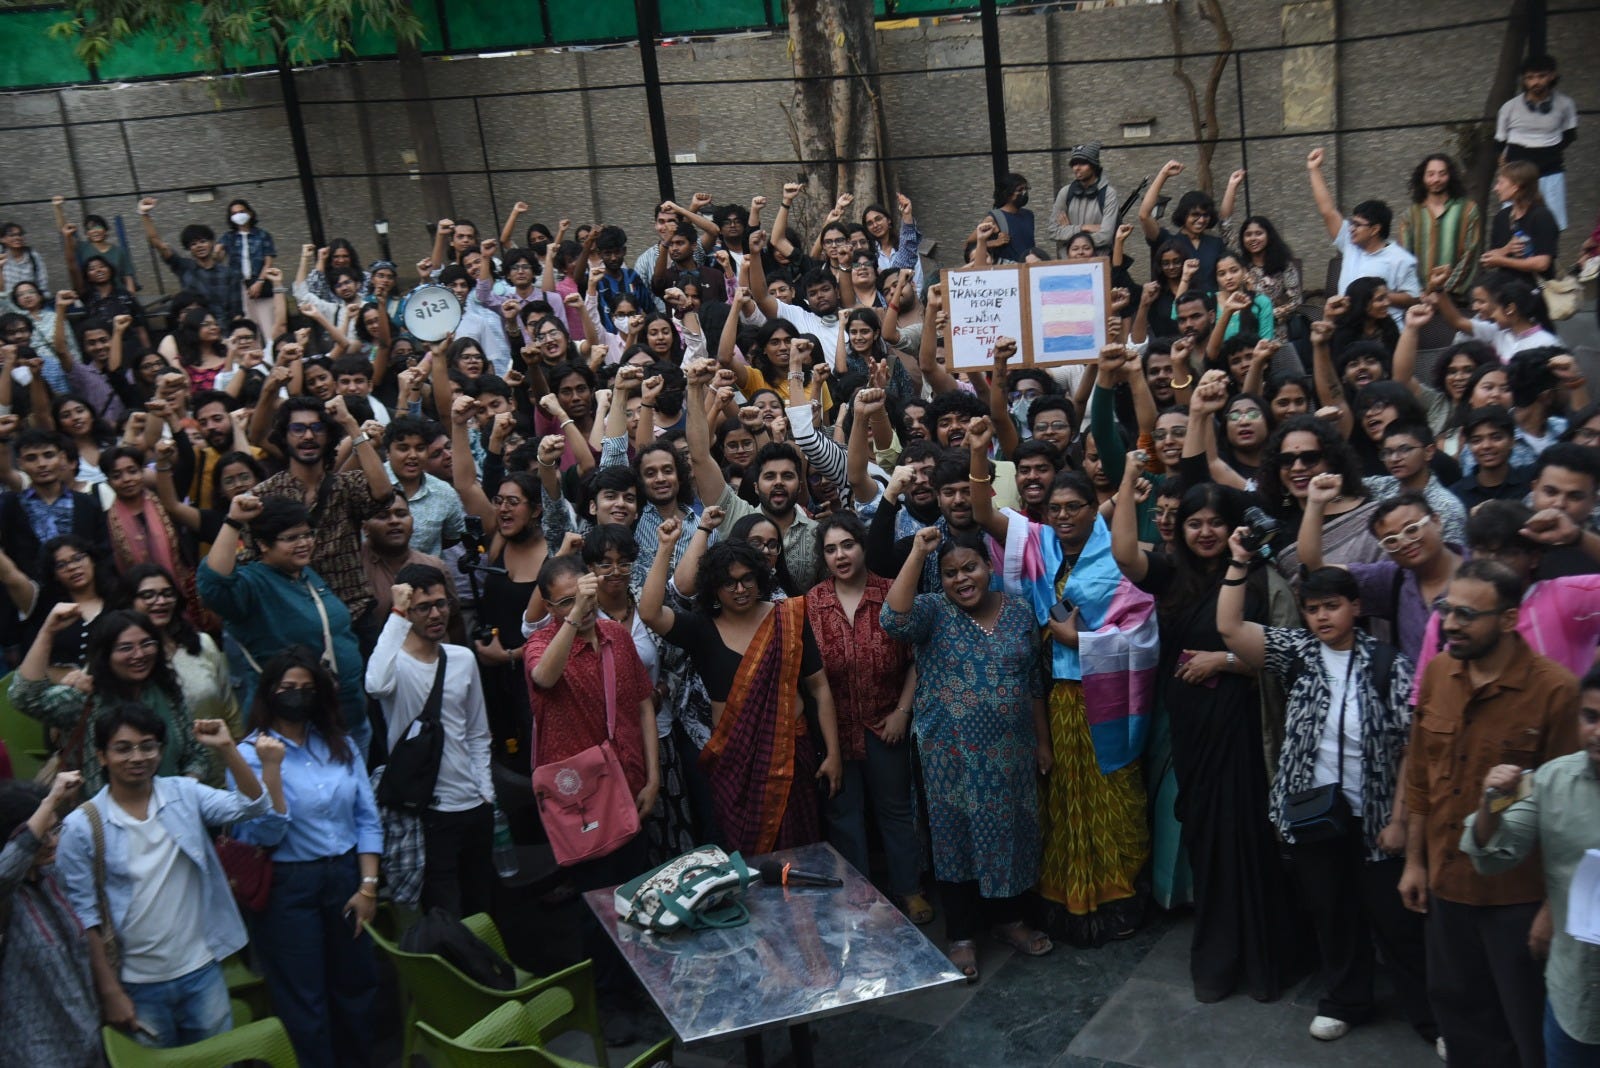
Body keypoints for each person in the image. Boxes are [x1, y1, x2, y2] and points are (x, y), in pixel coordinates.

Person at [1217, 562, 1434, 1046]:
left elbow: (1412, 750)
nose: (1321, 617)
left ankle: (1431, 1016)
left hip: (1376, 816)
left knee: (1396, 920)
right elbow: (1230, 628)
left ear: (1355, 607)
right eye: (1312, 609)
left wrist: (1400, 819)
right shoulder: (1298, 652)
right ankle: (1344, 1001)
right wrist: (1237, 563)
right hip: (1315, 815)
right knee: (1331, 913)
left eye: (1332, 606)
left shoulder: (1389, 664)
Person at [973, 413, 1155, 947]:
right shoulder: (1039, 543)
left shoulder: (1117, 553)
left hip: (1108, 699)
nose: (1064, 516)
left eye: (1074, 507)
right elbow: (983, 513)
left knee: (1112, 797)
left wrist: (1083, 642)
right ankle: (1065, 904)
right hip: (1055, 697)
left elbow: (1144, 634)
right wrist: (980, 452)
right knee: (1061, 800)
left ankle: (1118, 900)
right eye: (1055, 509)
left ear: (1094, 510)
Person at [1114, 474, 1294, 1003]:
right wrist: (1127, 479)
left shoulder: (1259, 580)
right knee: (1207, 840)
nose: (1206, 532)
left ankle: (1261, 960)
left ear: (1235, 526)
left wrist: (1226, 660)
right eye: (1194, 523)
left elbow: (1287, 655)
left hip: (1242, 724)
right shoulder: (1174, 573)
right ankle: (1217, 958)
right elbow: (1124, 554)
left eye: (1216, 522)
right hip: (1191, 729)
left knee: (1244, 837)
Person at [1400, 560, 1580, 1068]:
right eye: (1446, 609)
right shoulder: (1439, 672)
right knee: (1460, 1016)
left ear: (1508, 619)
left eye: (1466, 614)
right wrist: (1415, 862)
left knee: (1526, 1027)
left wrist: (1551, 911)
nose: (1450, 623)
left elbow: (1569, 814)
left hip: (1517, 899)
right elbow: (1421, 775)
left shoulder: (1556, 692)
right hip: (1446, 885)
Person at [55, 704, 286, 1049]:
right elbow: (84, 916)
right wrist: (110, 992)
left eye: (147, 746)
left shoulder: (183, 793)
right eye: (123, 748)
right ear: (102, 756)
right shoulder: (82, 826)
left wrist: (227, 748)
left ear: (160, 751)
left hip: (201, 970)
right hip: (135, 982)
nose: (137, 757)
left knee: (218, 1059)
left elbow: (253, 806)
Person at [880, 526, 1052, 982]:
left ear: (989, 567)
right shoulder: (932, 611)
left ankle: (1009, 921)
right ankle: (961, 936)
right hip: (949, 757)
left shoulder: (1018, 612)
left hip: (1011, 755)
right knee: (954, 839)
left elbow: (1034, 683)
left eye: (970, 567)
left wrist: (1043, 742)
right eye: (951, 573)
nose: (962, 579)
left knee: (1009, 835)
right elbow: (892, 619)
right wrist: (918, 553)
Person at [639, 518, 842, 855]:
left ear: (759, 577)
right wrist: (664, 548)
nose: (740, 589)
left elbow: (819, 688)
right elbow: (648, 613)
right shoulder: (702, 629)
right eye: (728, 583)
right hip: (736, 762)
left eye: (747, 578)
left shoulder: (788, 617)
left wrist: (833, 754)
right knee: (744, 855)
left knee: (800, 848)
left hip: (791, 754)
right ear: (714, 588)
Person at [523, 554, 658, 1041]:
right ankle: (608, 1004)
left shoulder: (617, 636)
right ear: (549, 606)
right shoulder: (540, 645)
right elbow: (544, 678)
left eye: (581, 597)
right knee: (597, 906)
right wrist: (574, 616)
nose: (577, 608)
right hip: (584, 799)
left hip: (631, 781)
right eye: (563, 602)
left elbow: (643, 706)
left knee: (636, 895)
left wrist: (654, 778)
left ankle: (641, 990)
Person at [231, 649, 381, 1068]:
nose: (297, 696)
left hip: (346, 876)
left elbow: (367, 818)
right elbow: (266, 833)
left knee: (357, 985)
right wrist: (271, 768)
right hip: (287, 884)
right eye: (287, 688)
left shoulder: (340, 744)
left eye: (306, 689)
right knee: (303, 1000)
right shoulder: (247, 754)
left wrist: (368, 886)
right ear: (269, 693)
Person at [1464, 667, 1600, 1060]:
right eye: (1591, 717)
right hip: (1574, 996)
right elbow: (1491, 857)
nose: (1597, 732)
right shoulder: (1552, 780)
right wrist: (1489, 804)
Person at [805, 513, 924, 920]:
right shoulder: (810, 604)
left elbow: (917, 658)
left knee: (895, 810)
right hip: (833, 731)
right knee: (843, 814)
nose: (840, 555)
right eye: (830, 549)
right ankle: (857, 897)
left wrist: (902, 712)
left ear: (863, 547)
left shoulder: (892, 592)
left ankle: (909, 888)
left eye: (848, 545)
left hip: (884, 723)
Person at [367, 565, 496, 918]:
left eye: (441, 604)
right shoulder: (395, 665)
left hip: (474, 806)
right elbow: (375, 684)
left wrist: (485, 791)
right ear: (406, 612)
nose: (436, 614)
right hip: (428, 813)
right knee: (444, 916)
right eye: (423, 607)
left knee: (482, 909)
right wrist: (396, 613)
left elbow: (477, 732)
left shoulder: (462, 659)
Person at [198, 495, 370, 755]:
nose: (304, 543)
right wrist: (233, 522)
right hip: (296, 729)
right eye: (291, 538)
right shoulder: (253, 584)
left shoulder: (306, 575)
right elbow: (213, 585)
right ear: (263, 544)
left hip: (347, 717)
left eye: (308, 534)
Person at [12, 605, 211, 793]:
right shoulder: (86, 698)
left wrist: (183, 791)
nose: (139, 654)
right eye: (126, 648)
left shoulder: (167, 692)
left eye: (146, 644)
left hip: (172, 811)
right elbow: (24, 697)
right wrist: (48, 632)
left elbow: (197, 754)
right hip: (102, 816)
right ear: (106, 654)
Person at [250, 396, 395, 637]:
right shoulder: (264, 495)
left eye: (317, 428)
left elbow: (383, 494)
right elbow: (249, 559)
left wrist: (350, 424)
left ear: (328, 436)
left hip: (353, 616)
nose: (308, 436)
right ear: (284, 436)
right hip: (293, 620)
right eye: (298, 429)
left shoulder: (346, 485)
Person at [0, 770, 103, 1068]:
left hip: (86, 1040)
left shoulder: (52, 877)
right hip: (32, 1054)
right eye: (41, 836)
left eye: (55, 829)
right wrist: (50, 801)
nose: (52, 841)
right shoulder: (7, 897)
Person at [114, 564, 241, 739]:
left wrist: (238, 749)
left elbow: (230, 709)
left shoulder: (202, 644)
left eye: (167, 594)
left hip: (217, 750)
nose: (161, 601)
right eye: (148, 595)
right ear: (129, 601)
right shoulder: (119, 657)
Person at [1304, 148, 1420, 325]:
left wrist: (1379, 295)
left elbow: (1414, 298)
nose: (1351, 228)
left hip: (1385, 330)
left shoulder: (1400, 259)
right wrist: (1314, 169)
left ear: (1375, 229)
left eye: (1357, 225)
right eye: (1351, 223)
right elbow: (1328, 211)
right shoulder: (1350, 243)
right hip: (1348, 327)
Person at [1494, 53, 1578, 230]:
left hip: (1551, 173)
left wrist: (1549, 151)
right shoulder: (1509, 108)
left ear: (1552, 75)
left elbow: (1570, 135)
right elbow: (1499, 142)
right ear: (1524, 80)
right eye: (1530, 77)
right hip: (1517, 177)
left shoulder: (1566, 104)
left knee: (1552, 224)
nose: (1536, 82)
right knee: (1512, 221)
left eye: (1541, 76)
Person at [1398, 154, 1483, 303]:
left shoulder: (1468, 210)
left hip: (1456, 300)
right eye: (1430, 174)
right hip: (1420, 300)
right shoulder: (1410, 215)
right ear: (1422, 178)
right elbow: (1405, 258)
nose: (1436, 179)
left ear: (1450, 176)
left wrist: (1442, 292)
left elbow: (1470, 255)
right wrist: (1420, 292)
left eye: (1442, 174)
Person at [1483, 161, 1562, 283]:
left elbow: (1542, 264)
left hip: (1534, 288)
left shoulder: (1541, 217)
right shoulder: (1502, 217)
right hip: (1505, 286)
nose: (1496, 188)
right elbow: (1488, 261)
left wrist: (1503, 261)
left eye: (1500, 183)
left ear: (1516, 187)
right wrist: (1507, 249)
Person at [1051, 143, 1119, 257]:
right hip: (1068, 262)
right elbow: (1053, 231)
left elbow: (1106, 236)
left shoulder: (1109, 194)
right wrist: (1084, 227)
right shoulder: (1065, 192)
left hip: (1099, 263)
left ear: (1094, 165)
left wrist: (1068, 231)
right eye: (1074, 164)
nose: (1076, 168)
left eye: (1082, 163)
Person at [985, 173, 1034, 263]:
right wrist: (994, 242)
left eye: (1026, 189)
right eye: (1020, 190)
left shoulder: (1029, 215)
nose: (1024, 193)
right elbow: (970, 245)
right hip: (1009, 268)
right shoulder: (995, 218)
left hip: (1028, 265)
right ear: (1008, 193)